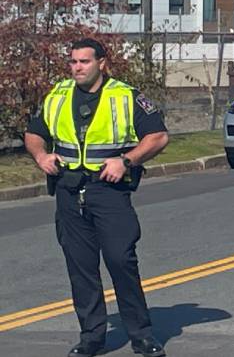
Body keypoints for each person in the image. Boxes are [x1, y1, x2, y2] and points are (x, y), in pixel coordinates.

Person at [25, 38, 170, 357]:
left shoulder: (125, 95)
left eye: (84, 62)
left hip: (109, 191)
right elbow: (34, 132)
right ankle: (91, 337)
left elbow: (158, 136)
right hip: (68, 190)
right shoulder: (58, 95)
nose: (77, 67)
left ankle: (141, 335)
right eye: (73, 62)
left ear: (102, 63)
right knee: (81, 267)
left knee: (121, 260)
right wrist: (40, 156)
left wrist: (127, 161)